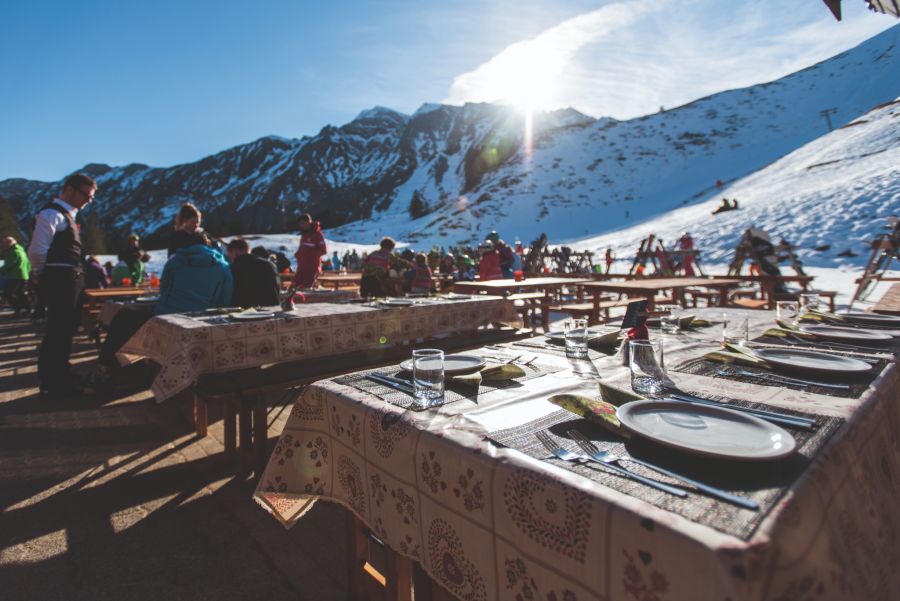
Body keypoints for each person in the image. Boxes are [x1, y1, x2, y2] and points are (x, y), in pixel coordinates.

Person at [27, 173, 96, 396]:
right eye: (85, 195)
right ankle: (53, 382)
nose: (88, 200)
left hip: (70, 277)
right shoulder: (51, 214)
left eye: (91, 197)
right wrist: (42, 273)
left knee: (66, 329)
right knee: (59, 329)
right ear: (69, 189)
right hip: (61, 278)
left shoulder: (68, 215)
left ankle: (61, 375)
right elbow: (37, 250)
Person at [226, 238, 280, 308]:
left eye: (229, 257)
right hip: (272, 309)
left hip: (248, 311)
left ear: (234, 251)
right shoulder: (270, 264)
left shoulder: (236, 267)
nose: (230, 260)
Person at [292, 213, 327, 289]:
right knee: (294, 287)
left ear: (308, 222)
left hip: (312, 268)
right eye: (300, 224)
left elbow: (323, 250)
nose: (301, 225)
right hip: (301, 268)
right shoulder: (304, 235)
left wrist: (309, 255)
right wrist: (298, 255)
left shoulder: (317, 234)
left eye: (302, 223)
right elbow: (302, 249)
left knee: (307, 289)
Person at [2, 237, 31, 315]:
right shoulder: (21, 251)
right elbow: (28, 263)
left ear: (9, 243)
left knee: (7, 293)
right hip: (23, 275)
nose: (3, 245)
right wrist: (28, 273)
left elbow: (9, 264)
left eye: (5, 243)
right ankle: (25, 308)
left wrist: (2, 270)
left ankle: (20, 308)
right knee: (19, 293)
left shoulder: (14, 252)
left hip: (15, 276)